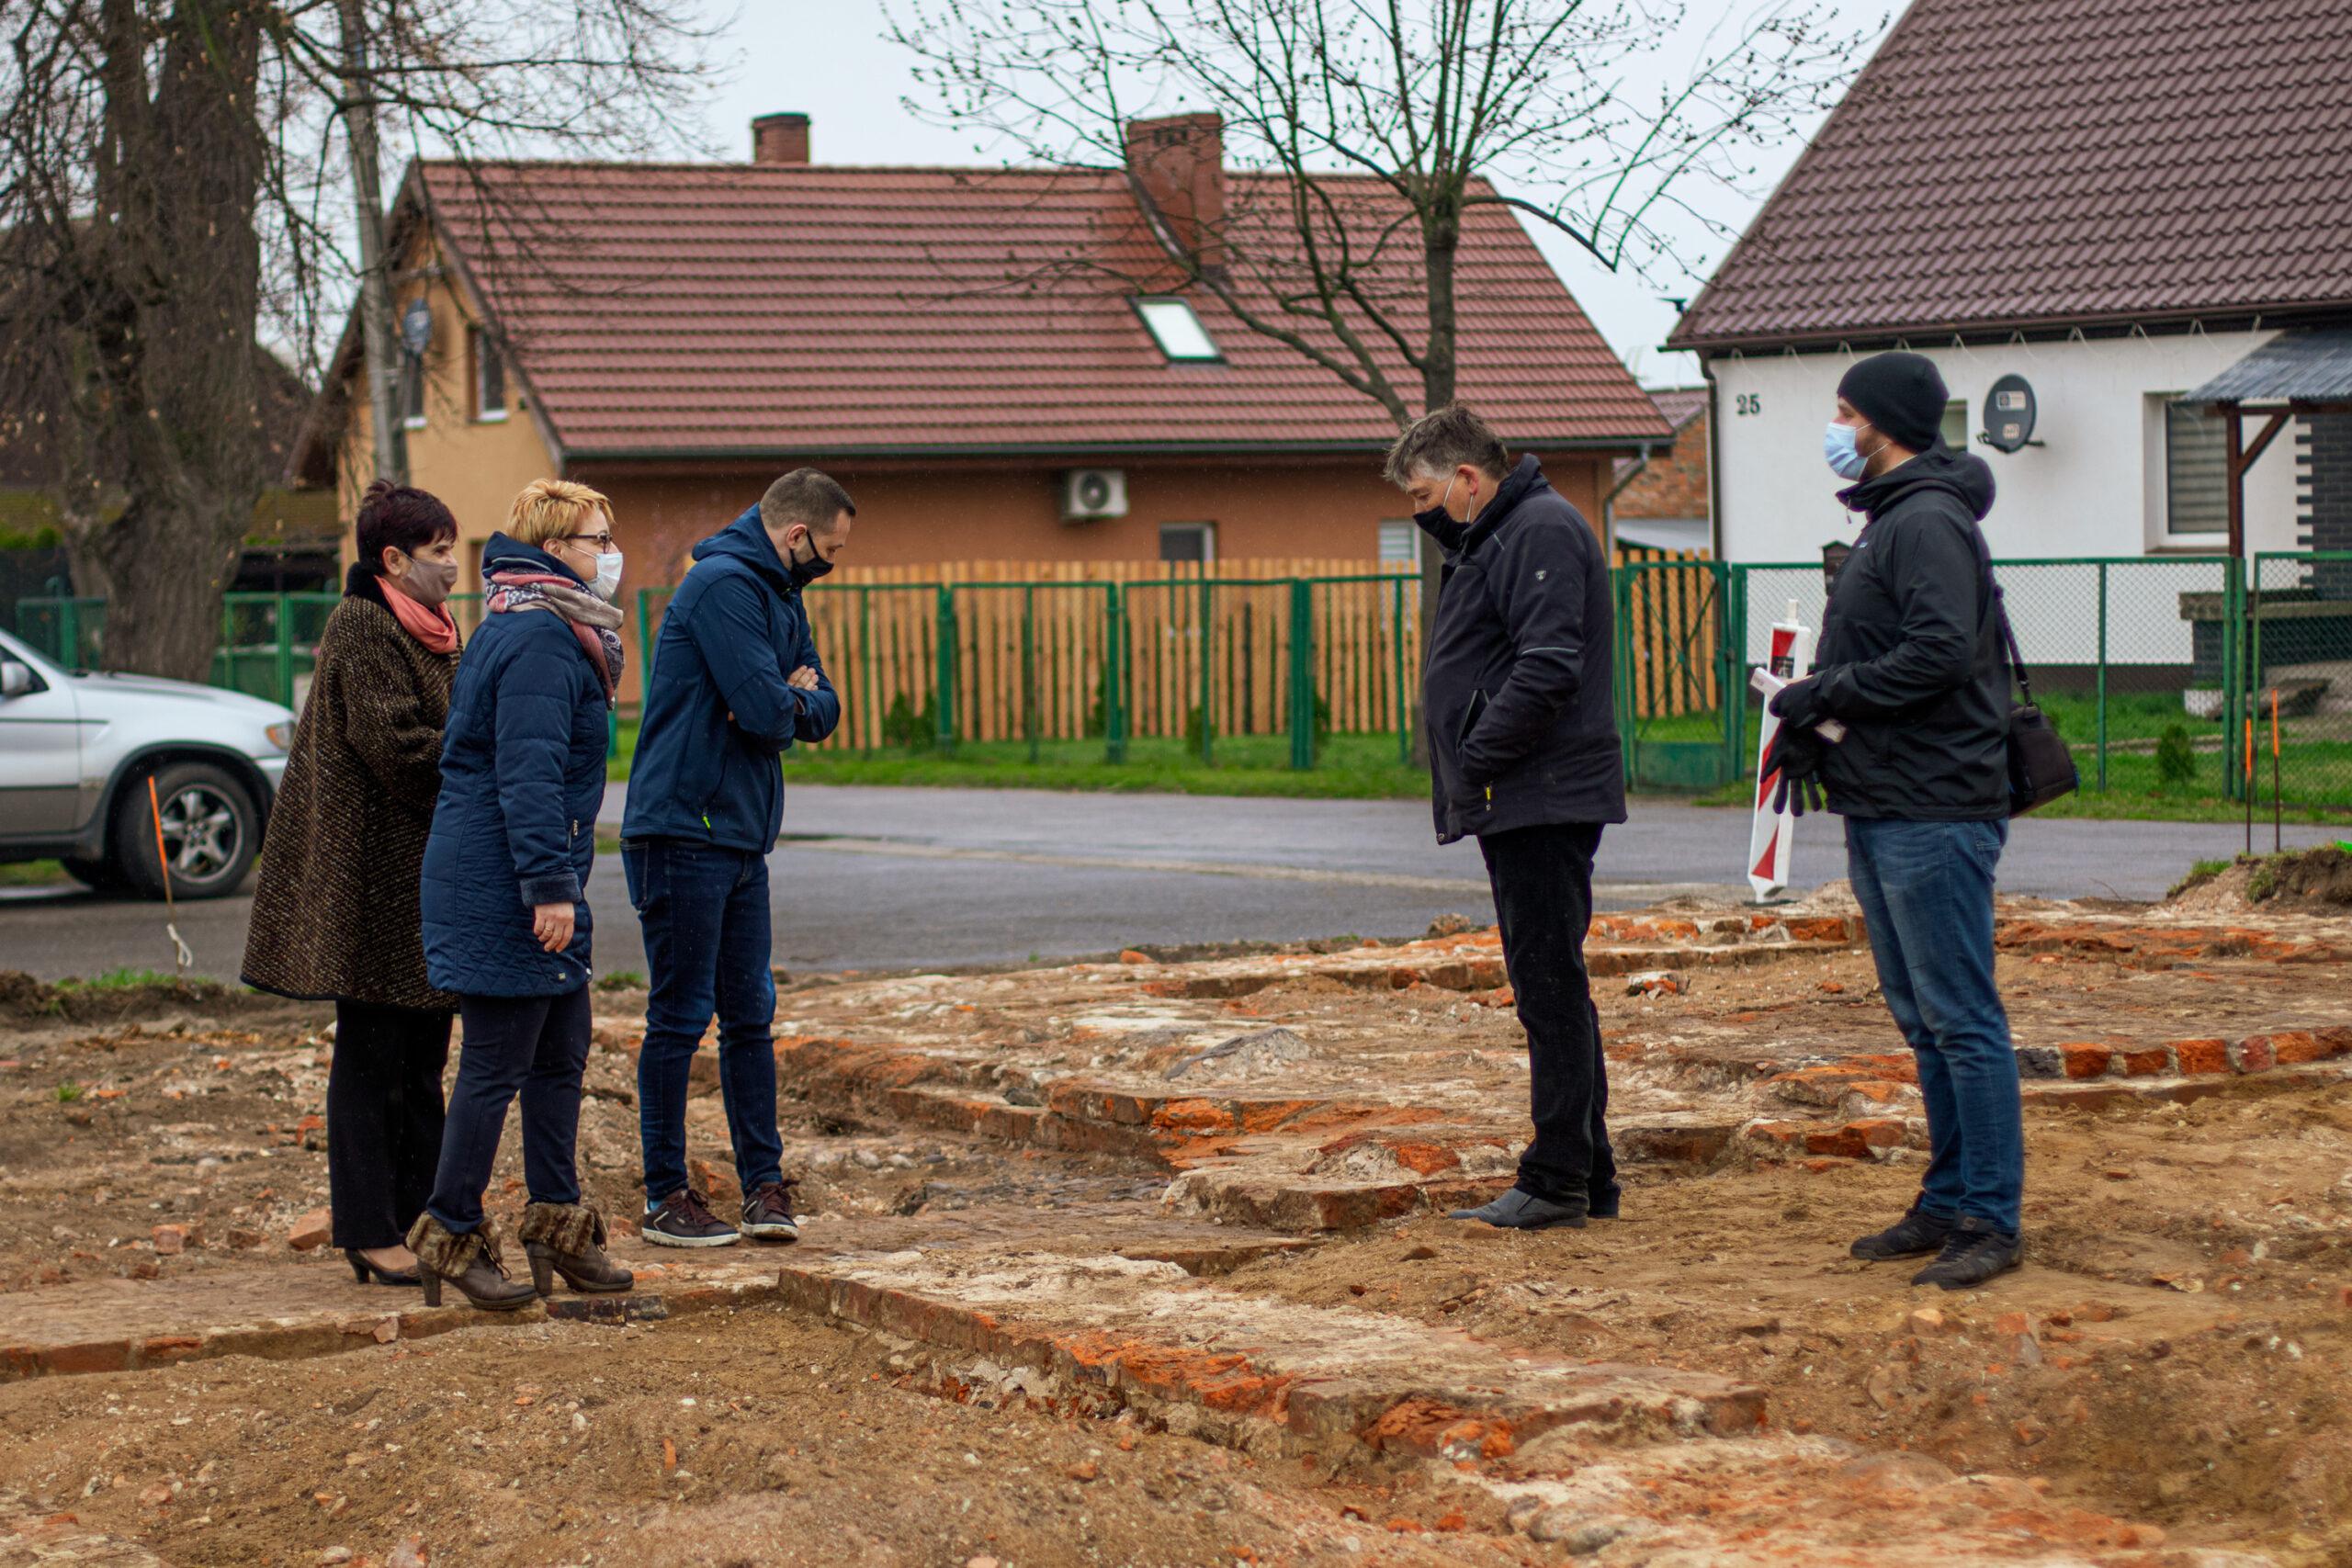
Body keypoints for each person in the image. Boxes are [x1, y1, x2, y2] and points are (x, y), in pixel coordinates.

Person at [1764, 350, 2022, 1291]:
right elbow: (1894, 660)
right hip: (1881, 798)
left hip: (1934, 804)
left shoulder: (1924, 522)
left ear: (1883, 423)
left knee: (1961, 1018)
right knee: (1923, 1020)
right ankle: (1949, 1197)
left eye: (1843, 412)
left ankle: (1990, 1218)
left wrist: (1825, 691)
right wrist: (1814, 727)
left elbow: (1940, 654)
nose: (1834, 429)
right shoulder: (1889, 522)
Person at [1386, 405, 1626, 1232]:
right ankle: (1585, 1172)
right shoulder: (1498, 536)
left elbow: (1549, 663)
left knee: (1549, 986)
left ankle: (1556, 1175)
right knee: (1550, 979)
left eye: (1423, 493)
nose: (1419, 512)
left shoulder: (1539, 530)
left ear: (1466, 479)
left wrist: (1479, 754)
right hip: (1522, 793)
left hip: (1540, 792)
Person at [407, 479, 634, 1309]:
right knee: (497, 1064)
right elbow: (528, 774)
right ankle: (449, 1229)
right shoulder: (539, 635)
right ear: (552, 550)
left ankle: (555, 1224)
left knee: (559, 1055)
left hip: (533, 873)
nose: (609, 554)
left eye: (607, 537)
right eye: (594, 540)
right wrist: (548, 887)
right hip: (507, 880)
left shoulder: (538, 620)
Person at [242, 479, 465, 1288]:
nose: (451, 564)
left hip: (420, 874)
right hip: (368, 880)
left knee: (423, 1060)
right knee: (373, 1058)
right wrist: (483, 760)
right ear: (393, 559)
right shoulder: (366, 624)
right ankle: (370, 1229)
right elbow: (400, 747)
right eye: (438, 551)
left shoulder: (435, 627)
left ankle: (421, 1218)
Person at [620, 468, 851, 1247]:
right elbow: (765, 709)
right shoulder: (723, 587)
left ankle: (764, 1186)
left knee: (751, 1016)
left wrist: (789, 699)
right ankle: (664, 1195)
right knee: (680, 1017)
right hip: (685, 828)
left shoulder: (782, 596)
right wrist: (783, 699)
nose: (832, 563)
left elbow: (822, 706)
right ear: (795, 537)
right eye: (830, 549)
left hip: (741, 833)